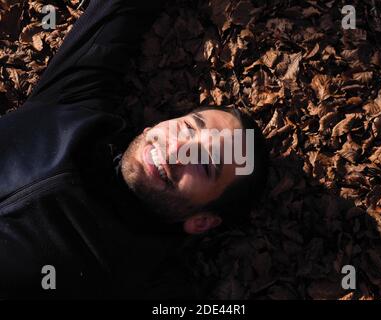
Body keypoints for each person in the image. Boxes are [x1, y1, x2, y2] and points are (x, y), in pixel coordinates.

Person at [0, 0, 267, 298]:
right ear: (152, 126)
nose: (177, 149)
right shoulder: (78, 107)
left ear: (201, 221)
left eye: (205, 163)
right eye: (190, 127)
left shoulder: (141, 285)